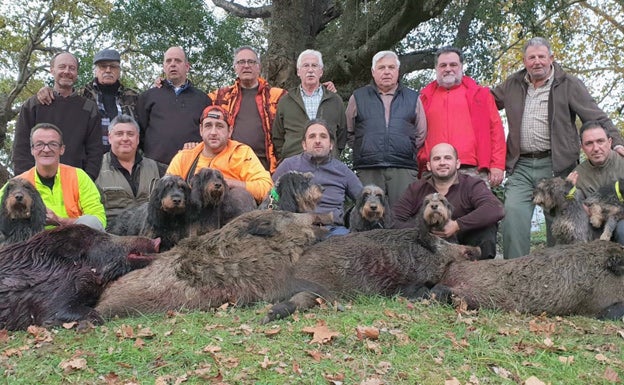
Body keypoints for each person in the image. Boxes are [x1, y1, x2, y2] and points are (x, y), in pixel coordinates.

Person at [491, 36, 624, 259]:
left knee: (561, 221)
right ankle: (515, 275)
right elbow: (483, 102)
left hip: (557, 164)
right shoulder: (512, 85)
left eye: (542, 56)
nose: (537, 62)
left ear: (551, 58)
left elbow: (596, 115)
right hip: (521, 164)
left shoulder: (568, 84)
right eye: (531, 57)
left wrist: (617, 142)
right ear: (524, 61)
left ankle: (558, 278)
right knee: (513, 214)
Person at [393, 143, 504, 259]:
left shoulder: (472, 184)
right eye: (437, 159)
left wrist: (457, 225)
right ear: (429, 166)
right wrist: (425, 230)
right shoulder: (416, 188)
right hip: (428, 248)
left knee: (487, 226)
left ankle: (482, 270)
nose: (442, 163)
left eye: (447, 158)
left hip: (466, 242)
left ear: (457, 164)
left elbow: (496, 208)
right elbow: (395, 219)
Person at [346, 50, 427, 206]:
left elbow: (421, 133)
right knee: (368, 217)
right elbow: (349, 131)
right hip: (369, 168)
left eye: (391, 67)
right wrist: (365, 148)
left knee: (403, 214)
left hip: (403, 168)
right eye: (382, 67)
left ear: (398, 71)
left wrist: (403, 147)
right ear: (373, 72)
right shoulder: (358, 97)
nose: (387, 72)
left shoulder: (413, 98)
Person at [418, 46, 505, 186]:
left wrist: (497, 165)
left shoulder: (481, 95)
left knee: (478, 208)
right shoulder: (423, 98)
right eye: (443, 65)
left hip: (472, 169)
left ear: (461, 67)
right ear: (436, 68)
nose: (448, 69)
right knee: (433, 208)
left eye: (453, 65)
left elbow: (496, 130)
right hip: (433, 170)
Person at [12, 52, 102, 180]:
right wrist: (26, 182)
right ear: (52, 70)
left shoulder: (88, 108)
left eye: (72, 68)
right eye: (62, 67)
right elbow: (21, 147)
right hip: (36, 184)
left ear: (77, 73)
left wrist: (87, 180)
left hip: (75, 183)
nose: (67, 71)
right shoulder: (34, 105)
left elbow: (95, 151)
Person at [2, 123, 106, 230]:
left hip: (76, 240)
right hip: (34, 242)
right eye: (39, 144)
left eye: (53, 144)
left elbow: (99, 220)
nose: (46, 150)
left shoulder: (78, 176)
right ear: (32, 150)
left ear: (62, 149)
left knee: (92, 221)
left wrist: (60, 221)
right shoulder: (18, 183)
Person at [36, 48, 140, 153]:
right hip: (91, 159)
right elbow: (61, 97)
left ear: (119, 70)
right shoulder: (81, 95)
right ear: (95, 70)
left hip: (126, 158)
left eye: (113, 66)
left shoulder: (134, 96)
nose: (108, 70)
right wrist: (46, 90)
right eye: (103, 66)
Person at [273, 119, 363, 236]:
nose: (317, 141)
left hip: (334, 231)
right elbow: (270, 199)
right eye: (312, 136)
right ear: (304, 145)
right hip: (296, 230)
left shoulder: (343, 171)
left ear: (331, 145)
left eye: (323, 136)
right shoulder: (288, 165)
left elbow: (364, 199)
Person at [166, 105, 272, 203]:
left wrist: (226, 183)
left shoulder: (242, 153)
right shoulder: (184, 157)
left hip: (232, 218)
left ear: (229, 131)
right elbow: (166, 188)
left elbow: (267, 188)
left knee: (240, 195)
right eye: (208, 126)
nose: (213, 132)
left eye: (219, 126)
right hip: (191, 216)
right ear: (201, 130)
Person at [209, 46, 287, 172]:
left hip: (266, 166)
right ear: (235, 67)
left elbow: (301, 102)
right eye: (241, 62)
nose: (246, 66)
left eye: (251, 62)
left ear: (259, 67)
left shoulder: (278, 96)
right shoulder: (220, 96)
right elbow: (194, 102)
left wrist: (321, 88)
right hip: (230, 165)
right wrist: (165, 85)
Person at [137, 46, 211, 165]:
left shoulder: (203, 99)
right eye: (168, 61)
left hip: (190, 166)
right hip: (155, 167)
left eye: (178, 60)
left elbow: (208, 133)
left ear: (187, 67)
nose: (172, 64)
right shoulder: (147, 97)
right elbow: (140, 132)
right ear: (164, 66)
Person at [273, 50, 346, 161]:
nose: (310, 70)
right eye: (306, 65)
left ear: (321, 71)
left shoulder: (335, 100)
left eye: (314, 66)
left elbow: (342, 135)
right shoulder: (285, 101)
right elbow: (277, 136)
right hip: (294, 164)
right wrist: (287, 155)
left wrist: (333, 155)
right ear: (298, 72)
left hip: (328, 166)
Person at [95, 114, 163, 223]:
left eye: (130, 134)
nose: (125, 138)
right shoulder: (95, 168)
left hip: (148, 232)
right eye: (119, 134)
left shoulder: (156, 168)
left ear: (138, 139)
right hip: (111, 234)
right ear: (110, 137)